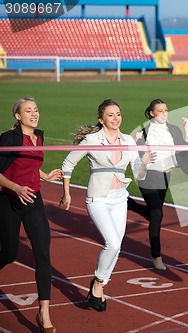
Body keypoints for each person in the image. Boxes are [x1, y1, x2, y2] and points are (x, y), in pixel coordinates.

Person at [59, 99, 154, 312]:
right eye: (110, 115)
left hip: (120, 198)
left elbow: (139, 173)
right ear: (102, 120)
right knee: (112, 243)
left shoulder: (128, 140)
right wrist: (66, 193)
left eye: (118, 114)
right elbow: (68, 163)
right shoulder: (92, 140)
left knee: (117, 246)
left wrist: (145, 162)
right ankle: (99, 283)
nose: (116, 118)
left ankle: (98, 285)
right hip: (98, 198)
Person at [0, 97, 63, 333]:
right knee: (8, 254)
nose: (34, 114)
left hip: (33, 200)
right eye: (28, 111)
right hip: (9, 201)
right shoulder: (9, 138)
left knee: (43, 256)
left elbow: (31, 164)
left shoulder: (40, 137)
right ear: (18, 116)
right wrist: (15, 188)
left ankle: (43, 314)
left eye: (36, 109)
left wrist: (44, 176)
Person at [127, 98, 188, 270]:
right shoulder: (143, 132)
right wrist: (136, 142)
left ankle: (130, 204)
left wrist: (187, 128)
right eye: (160, 111)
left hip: (166, 176)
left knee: (154, 213)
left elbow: (185, 151)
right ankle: (156, 256)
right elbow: (136, 159)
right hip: (148, 176)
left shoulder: (173, 129)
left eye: (166, 110)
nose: (164, 114)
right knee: (157, 214)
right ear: (152, 113)